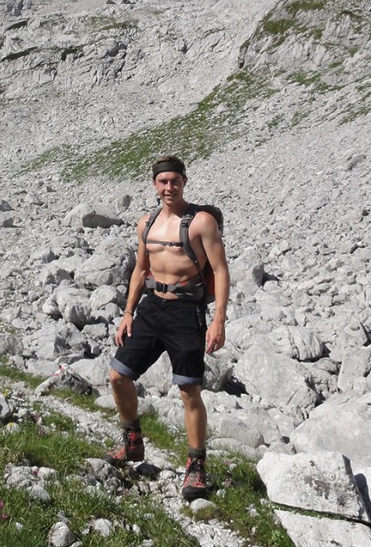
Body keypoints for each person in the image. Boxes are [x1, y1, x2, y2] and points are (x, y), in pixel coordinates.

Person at [106, 154, 230, 501]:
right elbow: (139, 268)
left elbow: (220, 270)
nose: (169, 187)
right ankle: (132, 442)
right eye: (163, 181)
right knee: (118, 375)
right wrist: (128, 311)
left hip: (186, 311)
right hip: (151, 307)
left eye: (175, 180)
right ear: (154, 185)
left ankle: (196, 466)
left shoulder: (201, 222)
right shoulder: (145, 223)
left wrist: (218, 319)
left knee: (189, 391)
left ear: (184, 182)